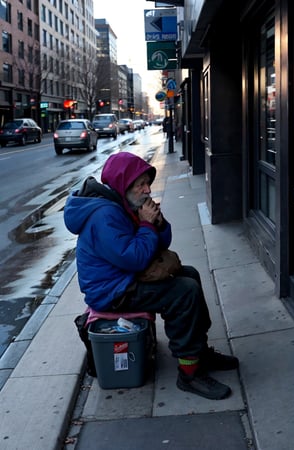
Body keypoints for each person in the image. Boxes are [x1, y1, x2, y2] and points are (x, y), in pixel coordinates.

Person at [64, 152, 239, 400]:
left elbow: (161, 244)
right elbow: (134, 258)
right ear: (124, 185)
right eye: (141, 184)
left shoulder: (126, 205)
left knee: (189, 274)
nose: (147, 190)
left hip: (125, 278)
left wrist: (157, 223)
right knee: (183, 292)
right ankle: (189, 373)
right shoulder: (105, 215)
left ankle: (199, 351)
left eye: (148, 183)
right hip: (112, 292)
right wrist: (146, 226)